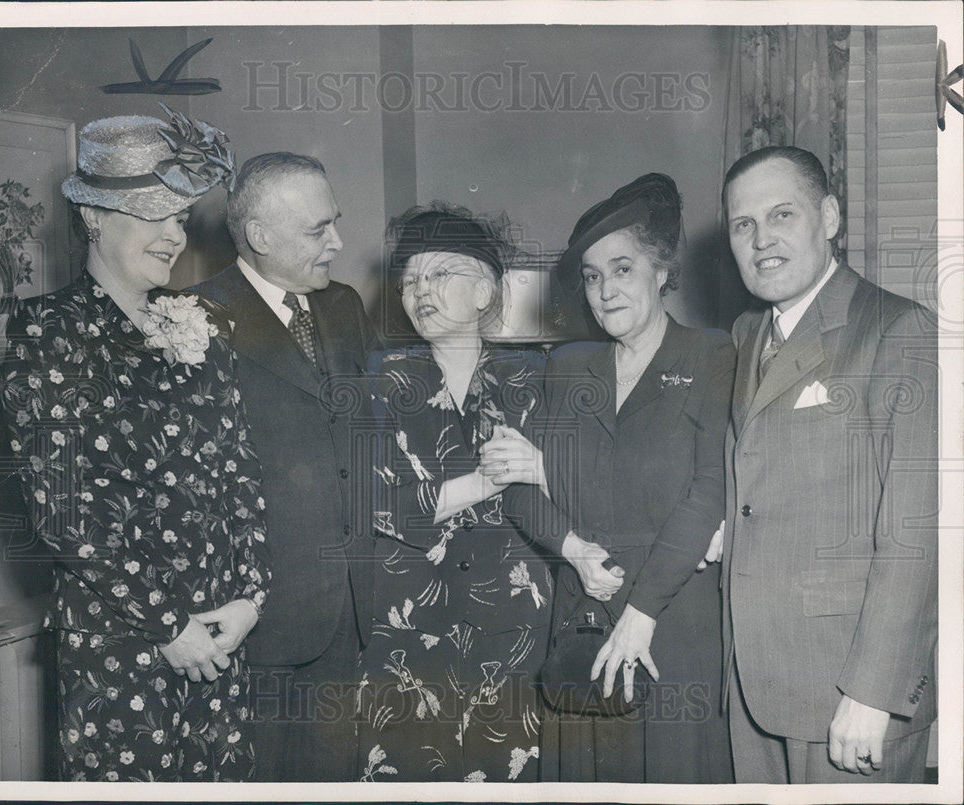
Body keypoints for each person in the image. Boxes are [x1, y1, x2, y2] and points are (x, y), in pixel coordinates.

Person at [0, 109, 272, 781]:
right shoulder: (48, 330)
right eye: (153, 215)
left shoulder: (203, 323)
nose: (173, 236)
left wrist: (249, 599)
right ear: (94, 216)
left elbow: (241, 472)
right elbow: (63, 511)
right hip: (123, 647)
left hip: (220, 637)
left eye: (179, 217)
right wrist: (170, 624)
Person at [480, 174, 734, 782]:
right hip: (585, 612)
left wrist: (642, 611)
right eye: (592, 277)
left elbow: (708, 492)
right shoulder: (568, 368)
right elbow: (517, 484)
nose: (605, 290)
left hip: (673, 616)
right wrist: (573, 547)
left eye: (622, 270)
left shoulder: (711, 355)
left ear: (663, 271)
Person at [720, 146, 937, 783]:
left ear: (831, 217)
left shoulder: (899, 329)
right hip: (752, 679)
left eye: (781, 214)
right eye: (743, 224)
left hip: (847, 689)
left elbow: (918, 530)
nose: (762, 240)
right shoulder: (745, 335)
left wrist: (875, 691)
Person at [191, 152, 379, 781]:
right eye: (318, 230)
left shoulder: (346, 307)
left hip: (355, 615)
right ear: (260, 237)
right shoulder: (192, 320)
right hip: (259, 626)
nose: (339, 243)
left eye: (337, 223)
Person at [355, 204, 553, 783]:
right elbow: (383, 506)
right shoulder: (378, 379)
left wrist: (543, 469)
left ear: (486, 289)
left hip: (517, 634)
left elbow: (578, 485)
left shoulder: (539, 377)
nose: (421, 291)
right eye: (411, 279)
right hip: (409, 634)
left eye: (441, 274)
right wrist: (490, 479)